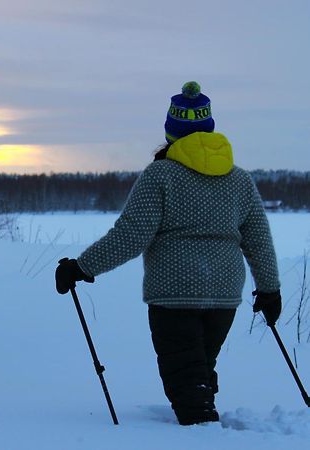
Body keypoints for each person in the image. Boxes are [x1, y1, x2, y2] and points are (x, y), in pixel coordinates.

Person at [55, 81, 281, 426]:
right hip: (223, 293)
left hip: (175, 291)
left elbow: (131, 235)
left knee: (186, 376)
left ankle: (202, 429)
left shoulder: (160, 175)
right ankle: (205, 418)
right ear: (209, 128)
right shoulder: (239, 179)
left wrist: (82, 266)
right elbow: (259, 241)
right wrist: (270, 289)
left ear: (171, 130)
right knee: (198, 367)